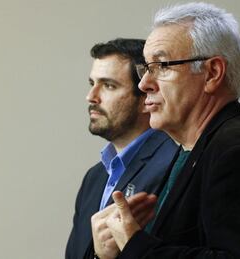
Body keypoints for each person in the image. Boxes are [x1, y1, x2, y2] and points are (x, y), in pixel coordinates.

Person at [91, 3, 240, 259]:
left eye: (162, 66)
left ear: (212, 73)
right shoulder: (193, 148)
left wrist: (135, 246)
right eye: (146, 68)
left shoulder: (238, 152)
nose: (144, 84)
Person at [65, 38, 178, 259]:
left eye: (108, 85)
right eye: (92, 84)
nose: (91, 97)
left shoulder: (174, 164)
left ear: (145, 95)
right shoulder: (94, 178)